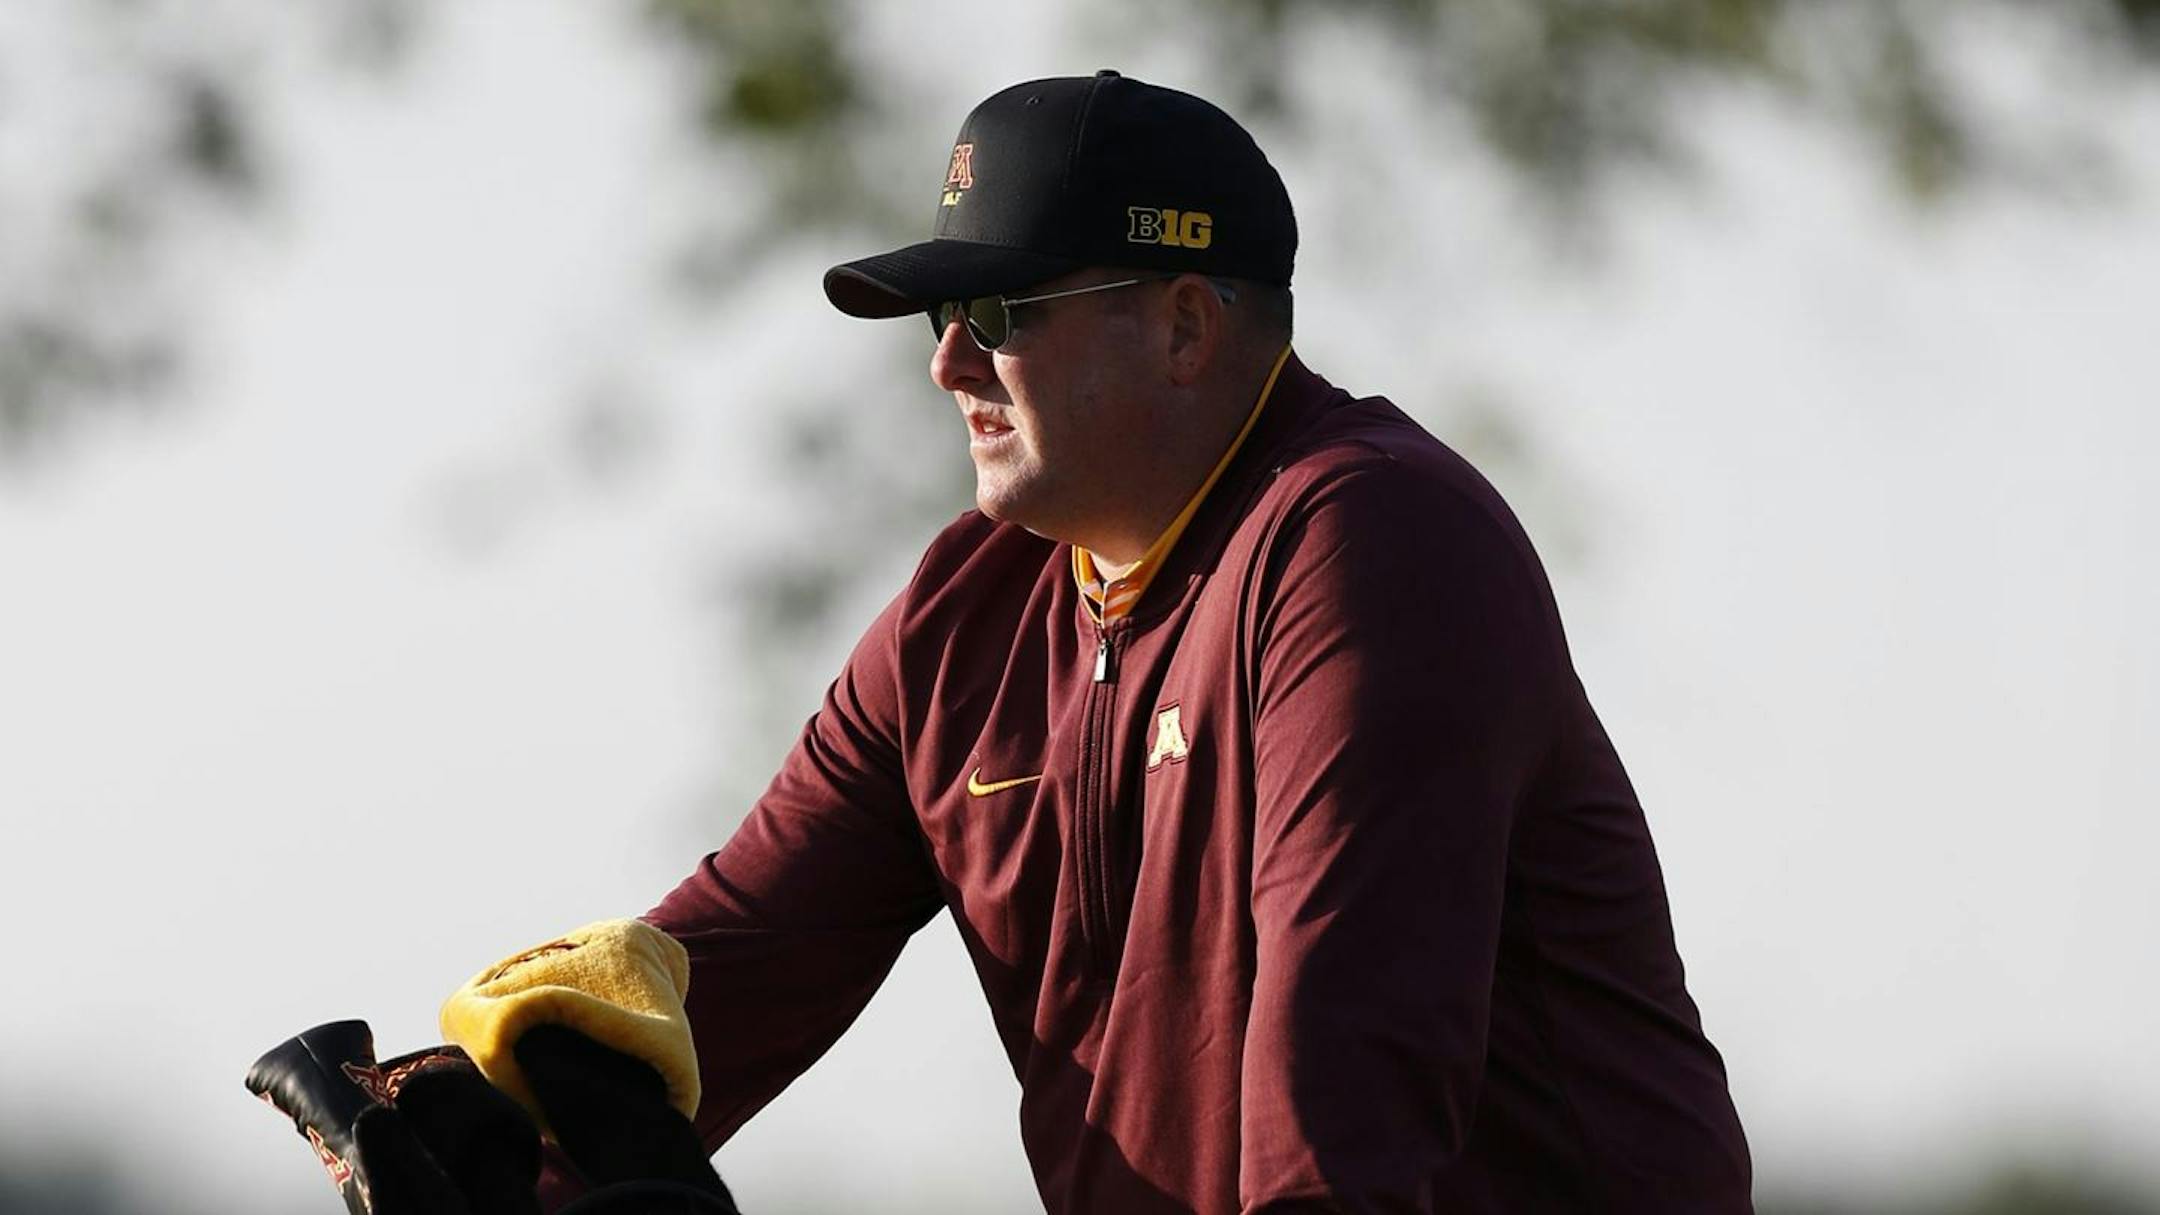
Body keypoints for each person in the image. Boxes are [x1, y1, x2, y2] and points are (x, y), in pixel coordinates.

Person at [447, 70, 1754, 1213]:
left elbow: (1338, 1096)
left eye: (1004, 313)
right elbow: (733, 963)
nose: (949, 365)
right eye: (936, 319)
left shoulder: (1367, 539)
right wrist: (504, 1138)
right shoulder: (965, 615)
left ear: (1186, 325)